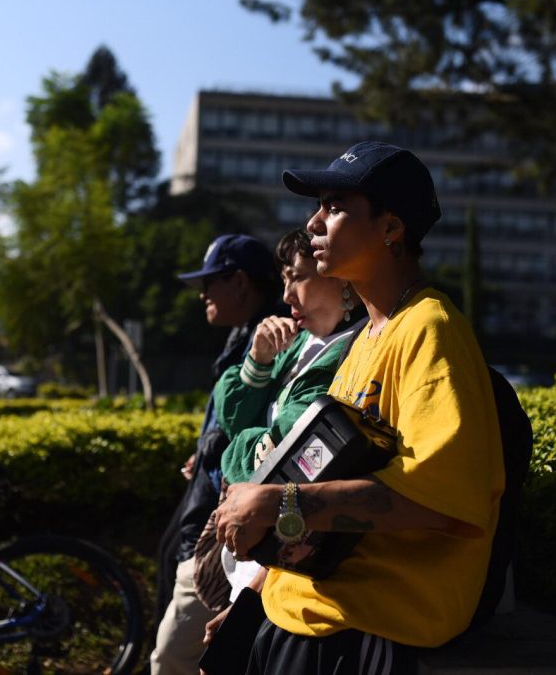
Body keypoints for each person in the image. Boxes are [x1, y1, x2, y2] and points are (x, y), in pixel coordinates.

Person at [213, 141, 505, 674]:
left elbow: (441, 499)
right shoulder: (370, 337)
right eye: (318, 206)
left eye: (335, 206)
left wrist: (276, 502)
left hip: (360, 635)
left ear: (391, 229)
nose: (314, 222)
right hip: (301, 618)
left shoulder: (429, 329)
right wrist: (253, 599)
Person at [207, 228, 365, 606]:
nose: (285, 295)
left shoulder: (354, 350)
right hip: (254, 548)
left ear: (339, 275)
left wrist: (236, 453)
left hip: (285, 561)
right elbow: (232, 419)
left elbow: (280, 454)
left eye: (296, 277)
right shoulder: (296, 342)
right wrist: (258, 360)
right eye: (283, 280)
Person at [150, 234, 281, 675]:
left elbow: (254, 429)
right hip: (210, 510)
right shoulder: (244, 335)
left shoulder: (271, 338)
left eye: (210, 283)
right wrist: (205, 450)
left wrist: (215, 453)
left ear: (240, 282)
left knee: (176, 655)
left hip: (223, 525)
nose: (202, 294)